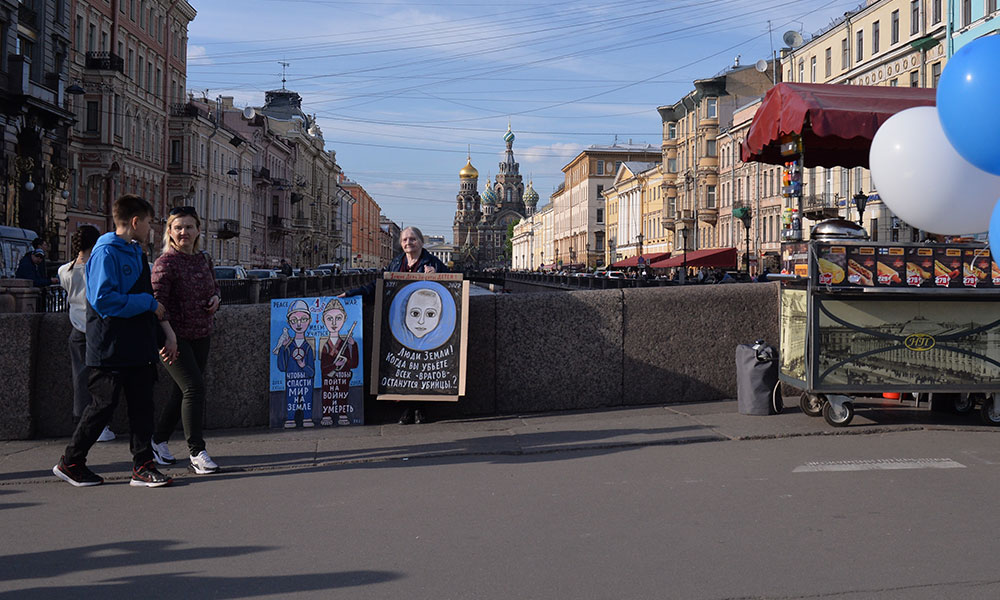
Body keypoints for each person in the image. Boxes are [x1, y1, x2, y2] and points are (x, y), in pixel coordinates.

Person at [53, 194, 173, 488]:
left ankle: (143, 466)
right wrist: (148, 303)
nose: (151, 228)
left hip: (136, 343)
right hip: (110, 344)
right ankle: (71, 462)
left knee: (143, 405)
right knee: (103, 406)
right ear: (135, 222)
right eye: (148, 222)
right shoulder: (106, 252)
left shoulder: (134, 250)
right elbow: (103, 300)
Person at [342, 226, 447, 425]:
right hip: (401, 323)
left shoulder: (433, 263)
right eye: (405, 240)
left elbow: (453, 285)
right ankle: (407, 408)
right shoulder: (396, 263)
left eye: (413, 239)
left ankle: (420, 408)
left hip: (425, 325)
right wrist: (352, 294)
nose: (409, 243)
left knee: (422, 365)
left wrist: (438, 276)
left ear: (421, 242)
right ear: (401, 244)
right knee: (403, 366)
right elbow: (378, 286)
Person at [150, 206, 222, 474]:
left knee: (182, 390)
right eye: (178, 227)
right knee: (194, 388)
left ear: (198, 230)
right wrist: (169, 337)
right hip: (174, 338)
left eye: (189, 227)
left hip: (201, 333)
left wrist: (216, 298)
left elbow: (215, 287)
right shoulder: (165, 263)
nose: (184, 232)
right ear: (169, 232)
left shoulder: (204, 259)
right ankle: (196, 453)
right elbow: (157, 304)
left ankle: (158, 440)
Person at [57, 225, 115, 443]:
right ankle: (100, 426)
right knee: (103, 379)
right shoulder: (99, 267)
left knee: (80, 378)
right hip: (98, 328)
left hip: (77, 328)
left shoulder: (64, 271)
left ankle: (81, 423)